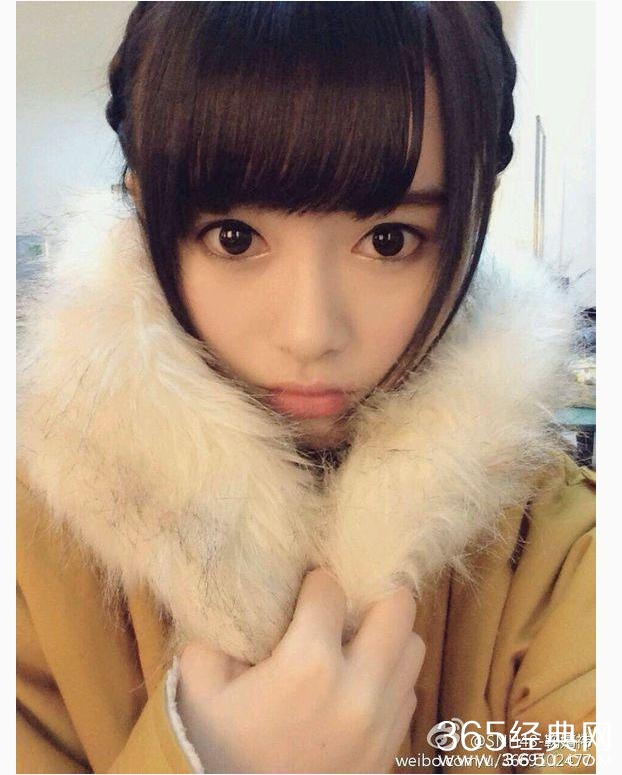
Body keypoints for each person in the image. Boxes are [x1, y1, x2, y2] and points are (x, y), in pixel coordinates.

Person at [16, 2, 596, 773]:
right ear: (147, 215)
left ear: (469, 225)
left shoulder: (557, 549)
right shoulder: (29, 543)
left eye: (389, 240)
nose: (311, 331)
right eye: (234, 238)